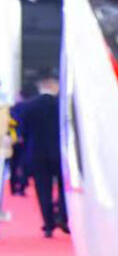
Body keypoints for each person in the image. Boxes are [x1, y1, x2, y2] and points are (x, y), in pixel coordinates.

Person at [20, 76, 68, 238]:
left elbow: (23, 132)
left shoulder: (28, 106)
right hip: (59, 152)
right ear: (53, 86)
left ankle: (48, 224)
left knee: (43, 189)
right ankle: (62, 215)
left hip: (37, 153)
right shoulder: (61, 105)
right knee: (63, 187)